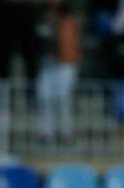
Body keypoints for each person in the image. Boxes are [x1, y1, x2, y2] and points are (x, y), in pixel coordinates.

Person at [35, 0, 80, 144]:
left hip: (65, 66)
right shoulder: (45, 21)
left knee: (63, 99)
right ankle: (45, 133)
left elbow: (69, 47)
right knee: (44, 97)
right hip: (48, 64)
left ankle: (66, 133)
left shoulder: (69, 23)